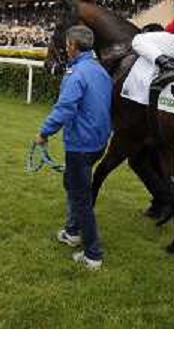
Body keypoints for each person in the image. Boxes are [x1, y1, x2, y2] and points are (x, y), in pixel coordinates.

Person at [36, 25, 113, 270]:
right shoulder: (100, 70)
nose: (66, 48)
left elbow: (64, 109)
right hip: (99, 142)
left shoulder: (76, 73)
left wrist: (44, 132)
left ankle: (92, 255)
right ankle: (72, 232)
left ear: (72, 46)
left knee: (81, 198)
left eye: (68, 44)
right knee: (72, 184)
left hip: (82, 144)